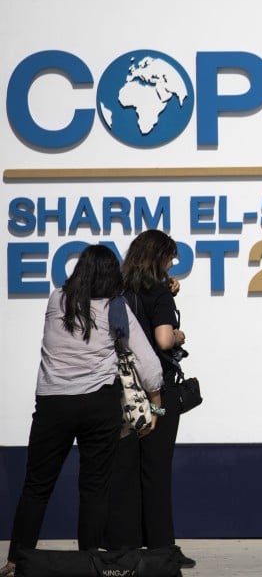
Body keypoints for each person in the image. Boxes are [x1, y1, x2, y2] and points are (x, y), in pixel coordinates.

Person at [2, 245, 163, 577]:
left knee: (36, 485)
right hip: (98, 406)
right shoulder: (115, 307)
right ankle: (89, 560)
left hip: (53, 405)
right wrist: (156, 404)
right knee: (94, 487)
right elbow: (147, 362)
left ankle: (17, 559)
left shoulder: (56, 300)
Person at [104, 230, 195, 569]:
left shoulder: (117, 290)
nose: (172, 264)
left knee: (125, 467)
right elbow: (164, 339)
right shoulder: (158, 292)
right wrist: (180, 333)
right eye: (169, 258)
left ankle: (123, 545)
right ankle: (161, 547)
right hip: (157, 397)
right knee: (156, 467)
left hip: (124, 393)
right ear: (158, 258)